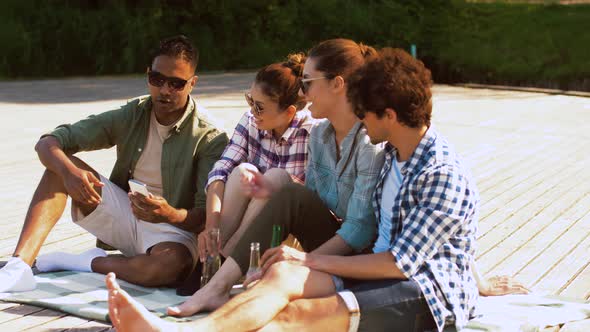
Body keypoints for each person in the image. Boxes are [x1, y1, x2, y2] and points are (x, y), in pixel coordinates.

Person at [104, 47, 528, 332]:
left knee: (296, 316)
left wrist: (308, 259)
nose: (361, 117)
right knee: (282, 275)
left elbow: (402, 263)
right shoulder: (394, 152)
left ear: (389, 114)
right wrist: (295, 257)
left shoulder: (438, 172)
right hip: (375, 266)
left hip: (424, 294)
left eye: (368, 112)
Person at [167, 38, 384, 317]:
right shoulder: (321, 135)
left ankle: (216, 284)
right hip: (329, 240)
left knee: (283, 186)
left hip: (359, 259)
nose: (303, 93)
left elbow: (358, 231)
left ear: (337, 84)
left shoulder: (369, 143)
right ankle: (216, 286)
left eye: (308, 82)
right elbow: (310, 199)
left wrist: (304, 259)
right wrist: (272, 190)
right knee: (284, 189)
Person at [0, 35, 228, 291]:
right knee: (58, 168)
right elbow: (48, 142)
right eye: (157, 79)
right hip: (126, 212)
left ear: (192, 84)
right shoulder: (133, 113)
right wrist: (69, 172)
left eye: (176, 83)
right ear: (148, 75)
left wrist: (169, 214)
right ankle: (19, 266)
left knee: (164, 269)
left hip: (174, 231)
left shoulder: (210, 137)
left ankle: (87, 262)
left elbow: (205, 217)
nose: (164, 90)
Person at [198, 52, 315, 269]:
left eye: (259, 106)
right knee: (243, 171)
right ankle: (211, 256)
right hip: (244, 229)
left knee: (276, 179)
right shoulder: (251, 121)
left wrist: (268, 186)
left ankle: (224, 263)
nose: (253, 111)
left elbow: (309, 197)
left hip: (286, 233)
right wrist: (210, 227)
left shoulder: (311, 133)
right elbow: (221, 170)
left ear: (289, 112)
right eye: (250, 100)